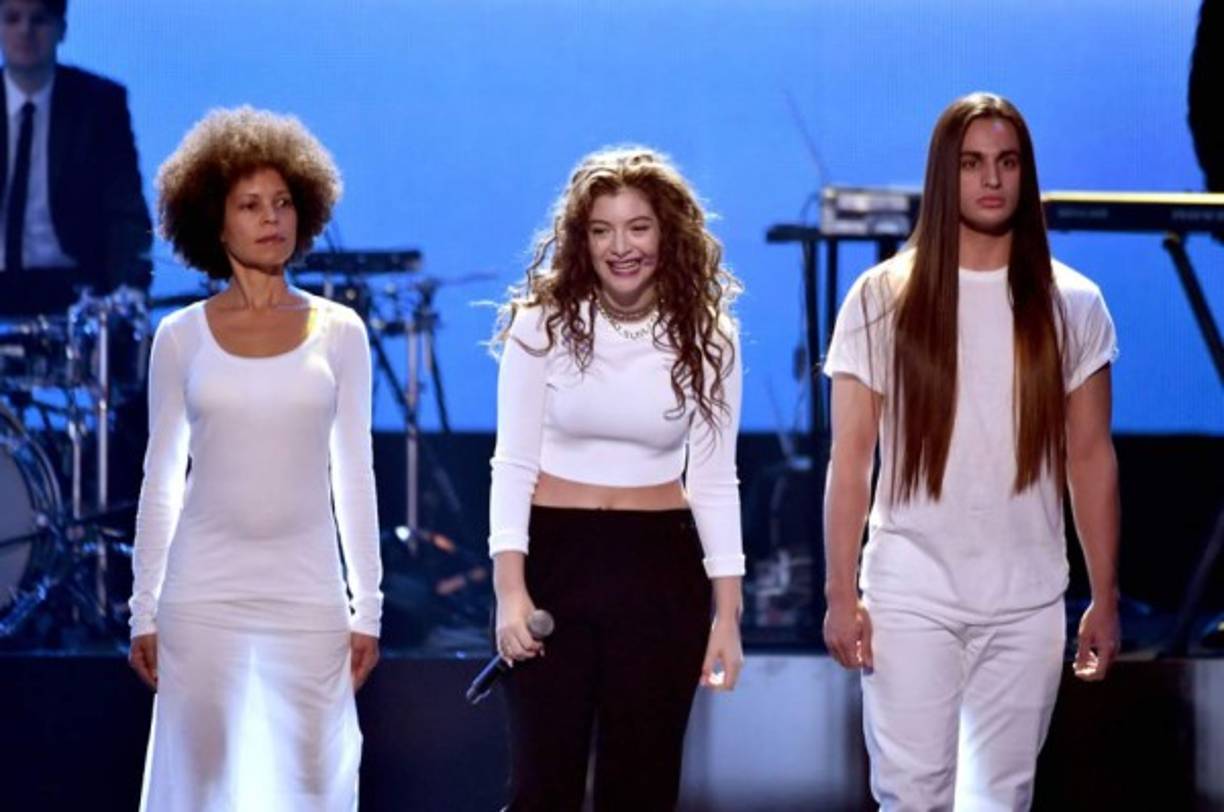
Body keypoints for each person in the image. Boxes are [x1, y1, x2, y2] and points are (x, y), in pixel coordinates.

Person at [821, 92, 1121, 811]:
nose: (992, 179)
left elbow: (1090, 460)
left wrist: (1105, 596)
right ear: (943, 175)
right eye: (973, 163)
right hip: (910, 592)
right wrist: (838, 592)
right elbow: (851, 460)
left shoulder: (1073, 304)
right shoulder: (880, 298)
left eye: (1007, 162)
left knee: (999, 800)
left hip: (1027, 600)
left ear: (1026, 173)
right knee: (912, 796)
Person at [126, 107, 381, 811]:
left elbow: (354, 476)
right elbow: (161, 481)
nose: (272, 218)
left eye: (283, 202)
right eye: (249, 205)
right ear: (214, 221)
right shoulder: (180, 336)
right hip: (203, 592)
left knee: (313, 787)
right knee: (199, 791)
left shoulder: (340, 332)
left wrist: (368, 605)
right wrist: (143, 608)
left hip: (308, 592)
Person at [489, 145, 745, 810]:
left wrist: (728, 614)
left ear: (668, 233)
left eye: (638, 227)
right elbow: (512, 463)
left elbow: (715, 480)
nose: (621, 247)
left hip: (659, 572)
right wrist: (510, 591)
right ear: (582, 239)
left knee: (643, 787)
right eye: (602, 230)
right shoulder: (540, 325)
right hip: (555, 565)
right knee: (542, 788)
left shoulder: (709, 337)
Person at [0, 0, 151, 314]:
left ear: (62, 29)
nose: (25, 31)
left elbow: (125, 213)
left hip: (71, 289)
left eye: (39, 20)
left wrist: (131, 288)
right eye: (12, 19)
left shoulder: (99, 105)